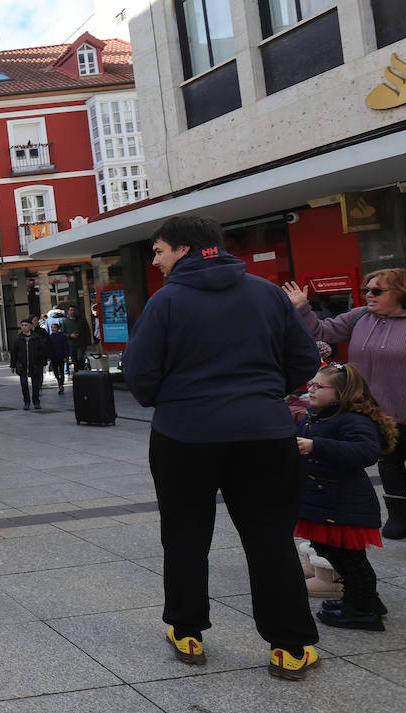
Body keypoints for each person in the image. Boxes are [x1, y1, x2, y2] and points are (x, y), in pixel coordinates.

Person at [122, 216, 321, 680]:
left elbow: (140, 370)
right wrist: (267, 394)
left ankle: (187, 631)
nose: (156, 261)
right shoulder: (268, 293)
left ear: (186, 250)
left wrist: (168, 399)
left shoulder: (166, 301)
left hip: (185, 435)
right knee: (271, 538)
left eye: (159, 251)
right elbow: (305, 358)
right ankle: (290, 647)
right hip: (266, 435)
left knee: (186, 535)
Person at [282, 269, 406, 539]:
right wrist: (302, 307)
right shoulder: (360, 317)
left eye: (377, 291)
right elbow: (323, 331)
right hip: (372, 413)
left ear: (401, 292)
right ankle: (398, 517)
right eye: (367, 289)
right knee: (388, 466)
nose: (368, 294)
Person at [295, 363, 396, 631]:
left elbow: (365, 452)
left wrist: (316, 445)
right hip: (325, 502)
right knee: (332, 552)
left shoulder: (353, 419)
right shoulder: (317, 415)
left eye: (319, 386)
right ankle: (361, 600)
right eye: (311, 383)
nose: (311, 389)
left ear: (340, 393)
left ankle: (363, 609)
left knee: (350, 558)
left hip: (344, 504)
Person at [9, 318, 48, 410]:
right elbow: (14, 353)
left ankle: (36, 401)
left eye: (26, 325)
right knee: (24, 384)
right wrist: (13, 365)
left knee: (35, 385)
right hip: (22, 366)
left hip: (35, 365)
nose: (24, 327)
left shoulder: (37, 338)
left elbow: (43, 351)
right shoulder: (18, 339)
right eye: (22, 325)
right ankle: (26, 402)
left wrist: (42, 362)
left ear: (30, 326)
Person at [63, 305, 92, 371]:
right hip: (71, 344)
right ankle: (77, 373)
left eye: (74, 310)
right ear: (68, 311)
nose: (72, 312)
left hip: (81, 344)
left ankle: (82, 371)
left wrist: (89, 343)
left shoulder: (82, 320)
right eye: (71, 310)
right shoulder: (65, 322)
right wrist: (70, 336)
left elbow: (87, 331)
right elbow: (63, 333)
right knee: (74, 360)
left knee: (80, 358)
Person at [47, 322, 70, 395]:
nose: (53, 329)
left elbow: (65, 347)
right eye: (52, 327)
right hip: (53, 356)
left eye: (54, 327)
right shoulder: (50, 337)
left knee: (61, 370)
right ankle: (59, 383)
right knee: (56, 371)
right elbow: (49, 348)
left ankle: (61, 384)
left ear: (58, 328)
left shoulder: (62, 336)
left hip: (61, 356)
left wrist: (66, 356)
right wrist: (48, 356)